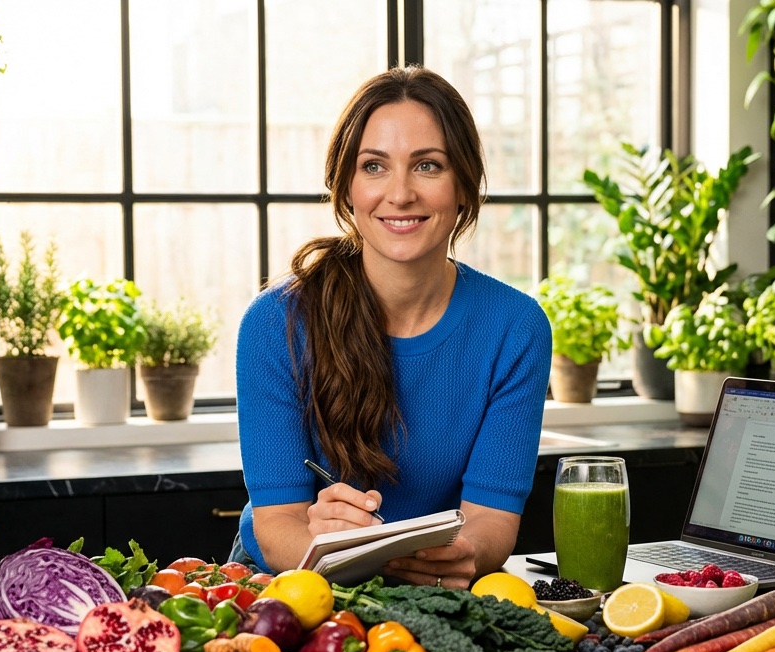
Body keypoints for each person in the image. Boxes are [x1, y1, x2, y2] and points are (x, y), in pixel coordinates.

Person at [230, 65, 551, 589]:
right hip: (290, 582)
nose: (400, 194)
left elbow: (493, 518)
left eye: (427, 165)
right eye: (374, 166)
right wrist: (323, 542)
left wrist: (467, 552)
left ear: (464, 186)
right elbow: (277, 523)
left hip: (432, 585)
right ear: (347, 188)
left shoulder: (516, 329)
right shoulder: (274, 325)